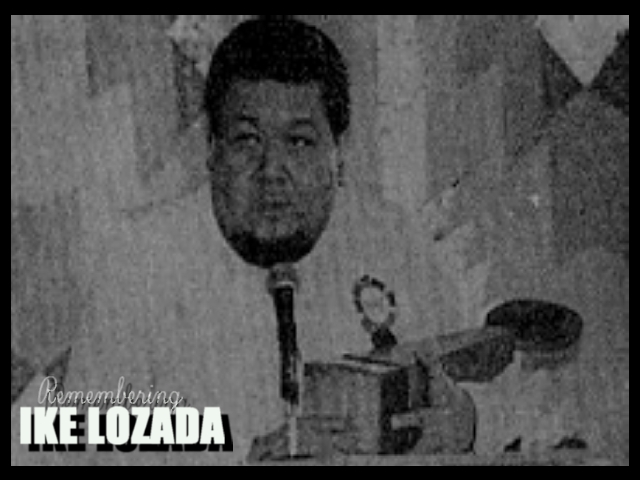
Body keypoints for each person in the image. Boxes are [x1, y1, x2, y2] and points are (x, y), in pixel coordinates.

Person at [11, 16, 474, 466]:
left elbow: (490, 380)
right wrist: (238, 451)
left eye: (299, 142)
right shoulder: (142, 258)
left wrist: (468, 421)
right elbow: (79, 435)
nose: (272, 171)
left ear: (339, 152)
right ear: (212, 150)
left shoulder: (391, 239)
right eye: (247, 140)